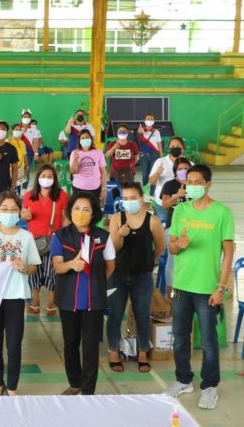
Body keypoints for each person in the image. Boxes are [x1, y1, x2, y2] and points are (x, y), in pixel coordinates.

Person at [162, 164, 234, 410]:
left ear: (208, 184)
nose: (191, 186)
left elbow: (228, 255)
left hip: (207, 289)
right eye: (188, 182)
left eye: (197, 182)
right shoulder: (180, 210)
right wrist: (179, 244)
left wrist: (221, 288)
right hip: (181, 286)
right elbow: (171, 248)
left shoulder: (222, 213)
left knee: (209, 341)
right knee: (180, 337)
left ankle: (210, 385)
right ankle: (183, 379)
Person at [0, 191, 41, 396]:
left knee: (14, 345)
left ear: (20, 212)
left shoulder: (26, 236)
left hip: (15, 296)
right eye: (5, 209)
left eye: (14, 209)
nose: (9, 212)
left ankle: (12, 386)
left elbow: (33, 267)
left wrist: (24, 268)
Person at [51, 191, 115, 396]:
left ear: (93, 213)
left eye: (86, 209)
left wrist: (95, 283)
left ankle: (88, 391)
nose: (80, 212)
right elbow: (58, 267)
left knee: (90, 348)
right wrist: (73, 264)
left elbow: (110, 266)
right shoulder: (60, 236)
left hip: (93, 302)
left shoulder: (103, 237)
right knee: (70, 344)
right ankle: (75, 383)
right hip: (68, 300)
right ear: (70, 210)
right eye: (77, 208)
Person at [106, 182, 165, 373]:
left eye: (133, 198)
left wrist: (149, 263)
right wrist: (120, 235)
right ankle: (113, 350)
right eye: (125, 198)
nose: (129, 201)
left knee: (142, 315)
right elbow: (112, 249)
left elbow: (160, 247)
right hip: (117, 275)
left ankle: (142, 351)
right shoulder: (116, 219)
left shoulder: (153, 221)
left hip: (142, 276)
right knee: (115, 314)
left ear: (141, 198)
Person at [21, 164, 69, 316]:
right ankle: (35, 300)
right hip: (33, 241)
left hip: (54, 240)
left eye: (50, 176)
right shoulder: (29, 196)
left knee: (52, 272)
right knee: (34, 272)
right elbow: (24, 215)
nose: (46, 179)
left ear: (54, 179)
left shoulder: (61, 196)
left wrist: (65, 238)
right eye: (43, 176)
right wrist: (24, 216)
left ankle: (51, 302)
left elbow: (65, 219)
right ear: (38, 178)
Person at [158, 157, 192, 286]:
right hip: (173, 227)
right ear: (175, 171)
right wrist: (177, 195)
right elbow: (165, 205)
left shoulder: (195, 186)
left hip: (193, 227)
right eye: (180, 169)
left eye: (186, 169)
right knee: (173, 258)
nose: (183, 171)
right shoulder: (169, 185)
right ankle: (171, 290)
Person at [150, 137, 186, 223]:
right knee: (166, 226)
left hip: (184, 203)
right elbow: (151, 181)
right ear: (169, 148)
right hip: (163, 203)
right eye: (172, 146)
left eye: (178, 146)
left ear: (183, 149)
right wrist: (158, 173)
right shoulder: (160, 162)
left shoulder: (189, 164)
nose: (175, 148)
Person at [69, 130, 107, 204]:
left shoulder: (98, 152)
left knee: (94, 211)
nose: (85, 139)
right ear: (79, 141)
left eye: (87, 137)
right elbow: (73, 171)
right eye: (82, 138)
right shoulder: (75, 153)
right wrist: (75, 160)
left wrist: (103, 189)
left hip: (95, 189)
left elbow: (103, 172)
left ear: (91, 139)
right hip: (78, 188)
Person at [136, 113, 162, 185]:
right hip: (143, 156)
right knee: (144, 175)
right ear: (144, 120)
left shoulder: (156, 132)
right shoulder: (140, 131)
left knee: (152, 174)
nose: (149, 120)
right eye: (148, 119)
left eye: (151, 119)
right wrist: (139, 133)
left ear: (154, 121)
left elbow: (159, 144)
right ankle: (145, 191)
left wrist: (161, 156)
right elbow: (137, 143)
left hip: (154, 155)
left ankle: (152, 192)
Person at [8, 123, 29, 190]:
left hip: (20, 169)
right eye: (16, 129)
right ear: (12, 131)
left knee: (18, 188)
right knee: (10, 188)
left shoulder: (22, 143)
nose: (18, 131)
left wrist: (27, 166)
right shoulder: (8, 141)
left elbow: (24, 155)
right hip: (11, 170)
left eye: (20, 130)